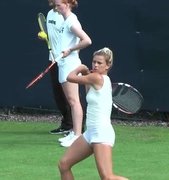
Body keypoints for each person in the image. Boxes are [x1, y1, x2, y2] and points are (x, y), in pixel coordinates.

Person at [58, 47, 129, 180]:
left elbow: (70, 77)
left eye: (99, 63)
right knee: (64, 164)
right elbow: (88, 93)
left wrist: (79, 68)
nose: (95, 65)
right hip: (90, 133)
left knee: (107, 177)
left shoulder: (96, 78)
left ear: (108, 66)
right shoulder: (98, 79)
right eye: (94, 62)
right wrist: (85, 72)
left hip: (101, 133)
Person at [54, 0, 92, 147]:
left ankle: (77, 136)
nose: (56, 8)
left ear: (67, 4)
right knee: (71, 101)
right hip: (64, 64)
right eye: (55, 5)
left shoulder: (71, 21)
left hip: (70, 65)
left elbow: (87, 40)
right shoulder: (66, 21)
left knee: (74, 101)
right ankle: (74, 132)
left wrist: (70, 50)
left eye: (58, 5)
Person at [44, 0, 73, 135]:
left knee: (71, 96)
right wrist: (44, 37)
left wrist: (66, 54)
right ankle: (67, 124)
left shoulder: (67, 17)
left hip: (66, 61)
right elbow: (53, 36)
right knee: (58, 95)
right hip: (53, 60)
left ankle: (78, 127)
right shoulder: (49, 14)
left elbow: (73, 38)